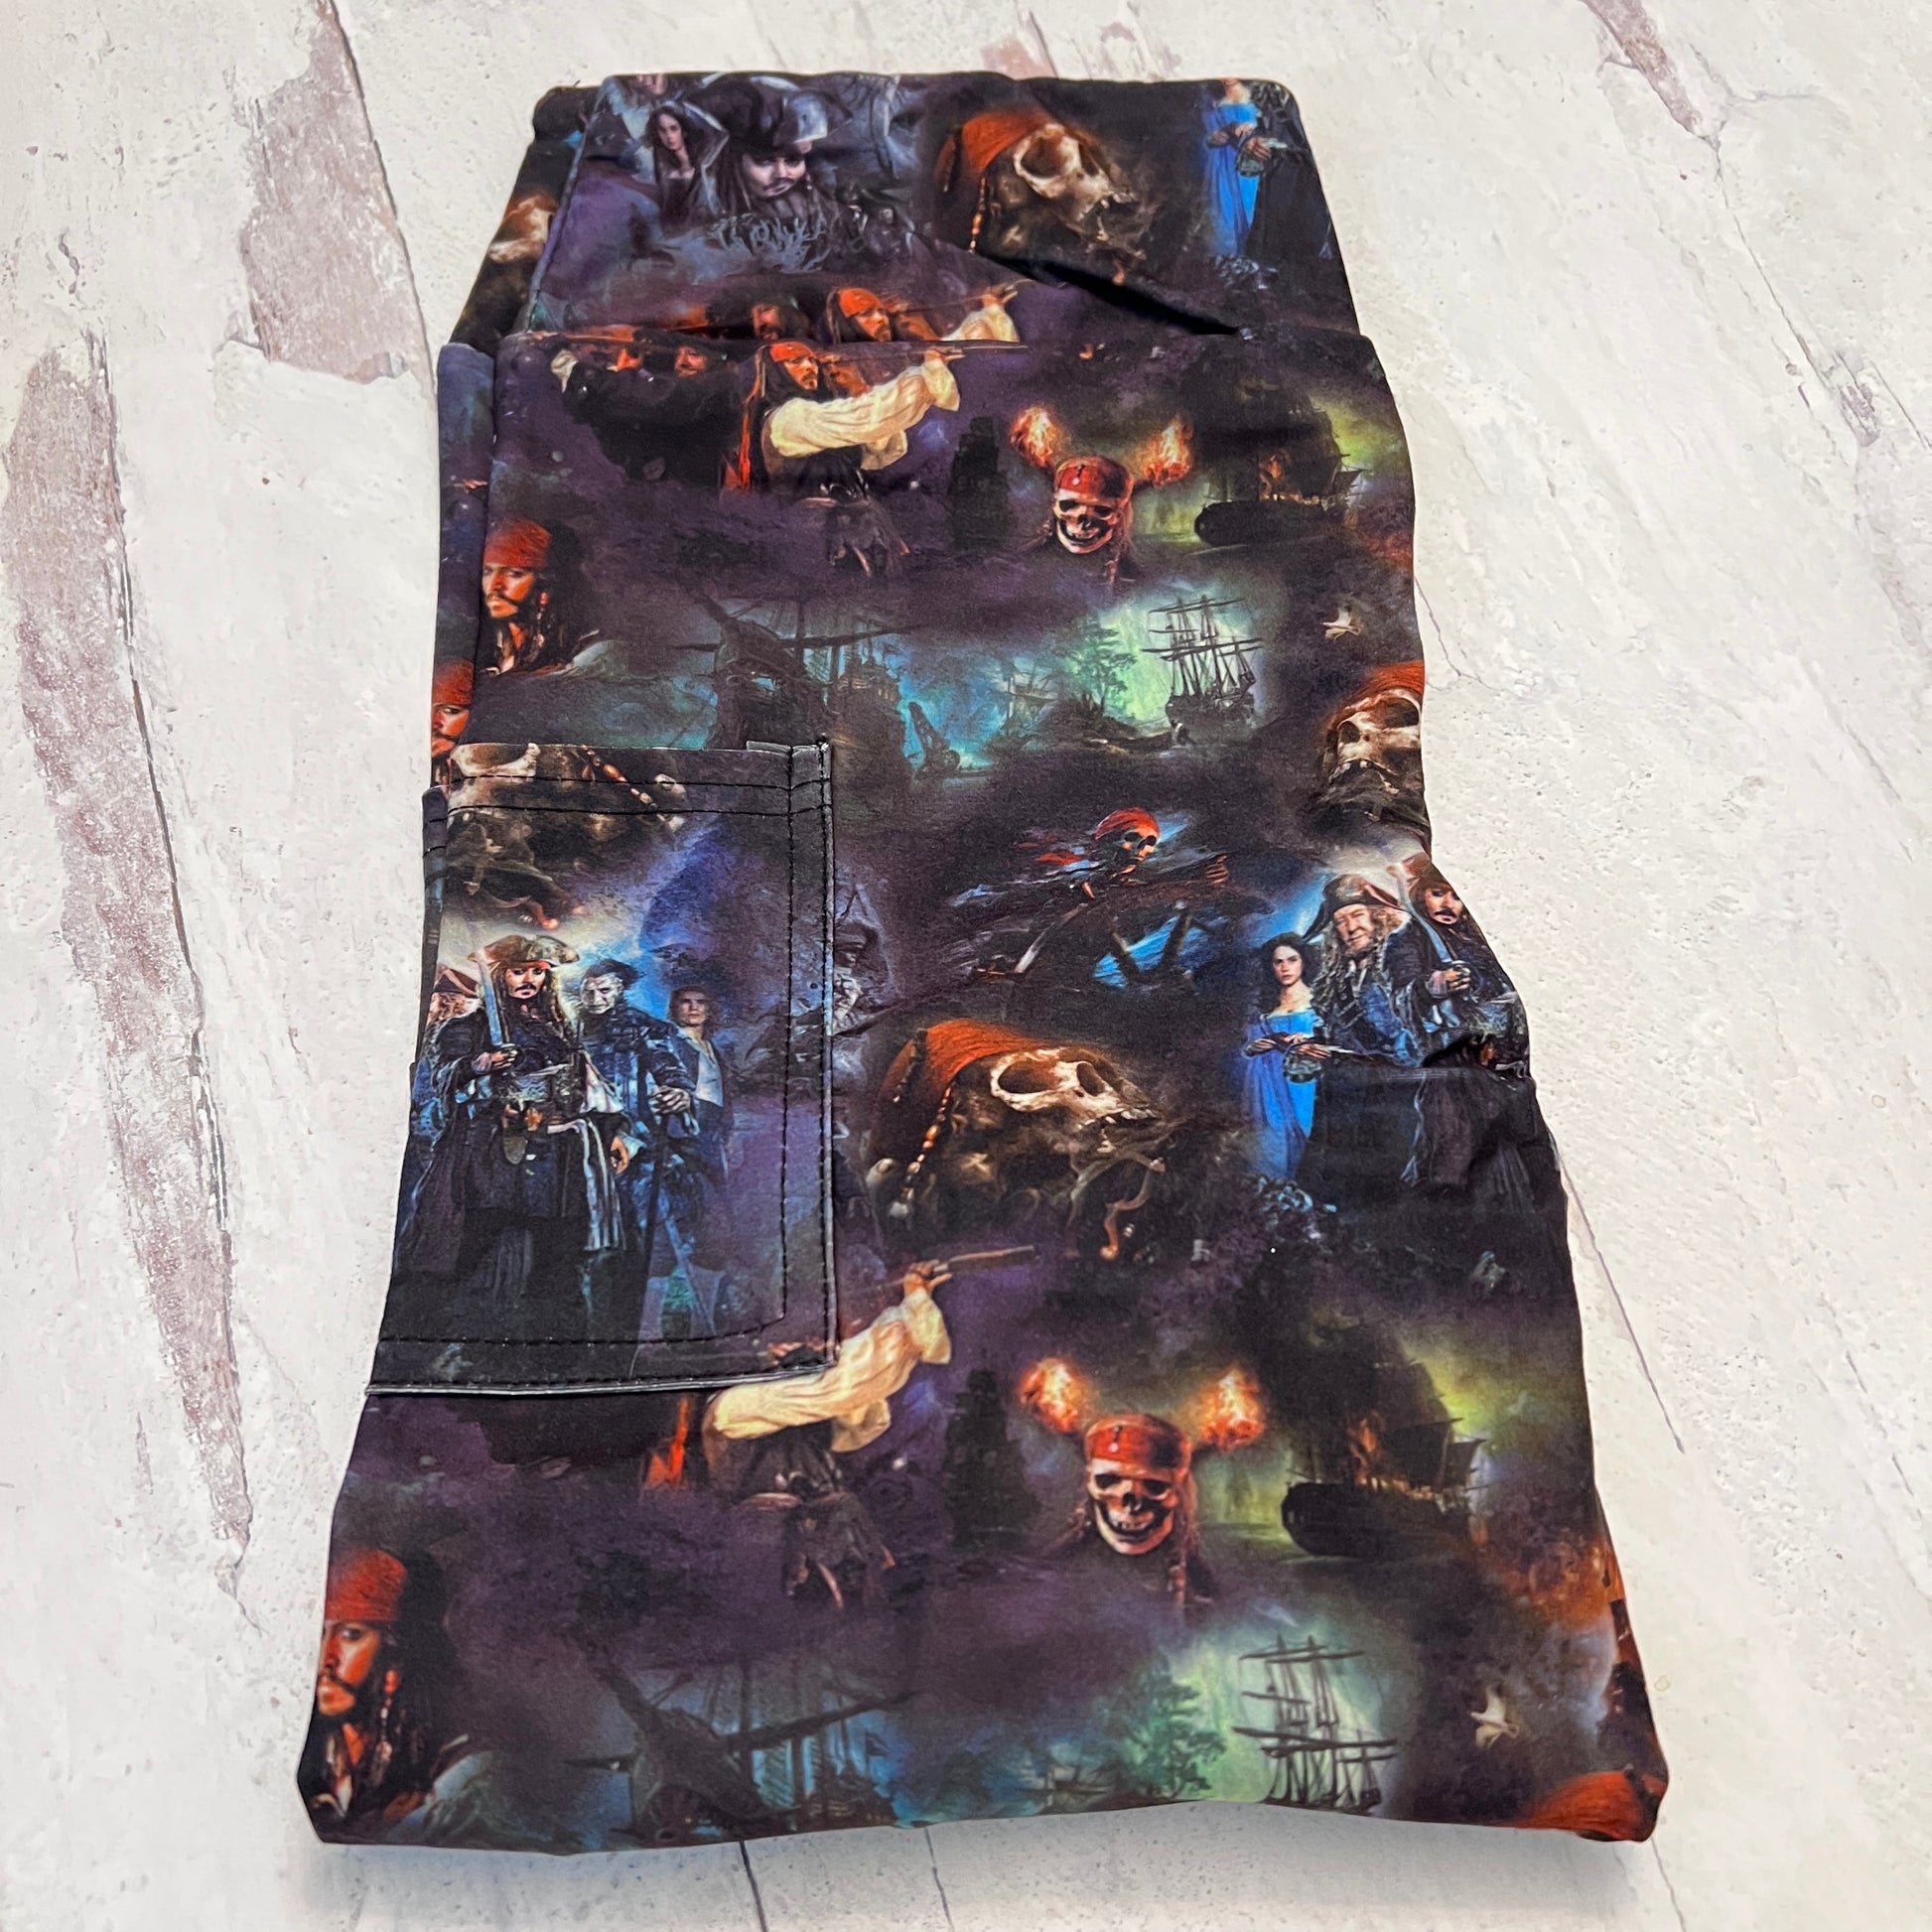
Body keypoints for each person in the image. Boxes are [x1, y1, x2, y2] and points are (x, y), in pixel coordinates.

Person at [395, 934, 624, 1343]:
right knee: (470, 1246)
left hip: (559, 1156)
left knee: (559, 1255)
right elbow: (444, 1077)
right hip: (493, 1155)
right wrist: (479, 1064)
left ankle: (551, 1346)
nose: (528, 980)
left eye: (537, 972)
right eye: (518, 971)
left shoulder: (559, 1028)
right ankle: (434, 1339)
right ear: (501, 975)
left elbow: (585, 1084)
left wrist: (612, 1133)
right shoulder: (468, 1028)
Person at [704, 1260, 954, 1608]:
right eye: (805, 1342)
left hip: (823, 1548)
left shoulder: (805, 1414)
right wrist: (912, 1307)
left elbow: (862, 1412)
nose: (818, 1348)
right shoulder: (736, 1406)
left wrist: (913, 1308)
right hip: (767, 1555)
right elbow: (838, 1387)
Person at [298, 1548, 489, 1843]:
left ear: (396, 1654)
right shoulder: (320, 1757)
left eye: (351, 1635)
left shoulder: (464, 1775)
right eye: (320, 1634)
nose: (326, 1658)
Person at [728, 339, 960, 573]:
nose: (810, 367)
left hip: (854, 529)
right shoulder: (789, 418)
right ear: (775, 371)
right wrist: (924, 374)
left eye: (812, 361)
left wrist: (860, 388)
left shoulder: (814, 418)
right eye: (795, 361)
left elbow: (877, 449)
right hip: (818, 537)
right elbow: (861, 419)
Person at [1286, 875, 1427, 1214]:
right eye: (1340, 921)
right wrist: (1311, 1051)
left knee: (1381, 1197)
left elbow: (1415, 1040)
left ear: (1377, 916)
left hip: (1390, 1102)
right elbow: (1333, 1036)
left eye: (1357, 915)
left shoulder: (1401, 965)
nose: (1350, 928)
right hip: (1339, 1103)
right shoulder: (1337, 977)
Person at [1238, 932, 1317, 1179]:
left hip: (1306, 1082)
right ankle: (1276, 1188)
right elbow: (1245, 1047)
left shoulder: (1320, 1000)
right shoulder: (1264, 1008)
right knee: (1272, 1140)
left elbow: (1336, 1038)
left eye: (1292, 960)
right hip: (1267, 1083)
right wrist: (1253, 1048)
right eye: (1278, 962)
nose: (1285, 968)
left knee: (1307, 1134)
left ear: (1303, 961)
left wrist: (1311, 1039)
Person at [478, 516, 585, 674]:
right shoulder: (488, 655)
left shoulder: (584, 658)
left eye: (514, 573)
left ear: (545, 585)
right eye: (487, 572)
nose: (493, 586)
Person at [1201, 79, 1262, 257]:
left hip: (1253, 167)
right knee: (1223, 220)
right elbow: (1198, 134)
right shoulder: (1207, 94)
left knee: (1254, 216)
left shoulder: (1259, 89)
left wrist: (1255, 135)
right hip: (1221, 167)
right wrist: (1211, 139)